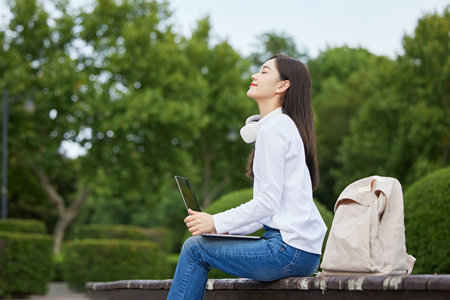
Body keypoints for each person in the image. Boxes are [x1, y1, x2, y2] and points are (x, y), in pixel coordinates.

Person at [167, 55, 327, 300]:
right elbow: (269, 210)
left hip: (288, 250)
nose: (254, 75)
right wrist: (223, 230)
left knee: (195, 249)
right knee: (201, 245)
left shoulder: (274, 130)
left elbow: (266, 203)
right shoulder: (280, 126)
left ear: (282, 85)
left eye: (264, 71)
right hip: (300, 251)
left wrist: (216, 222)